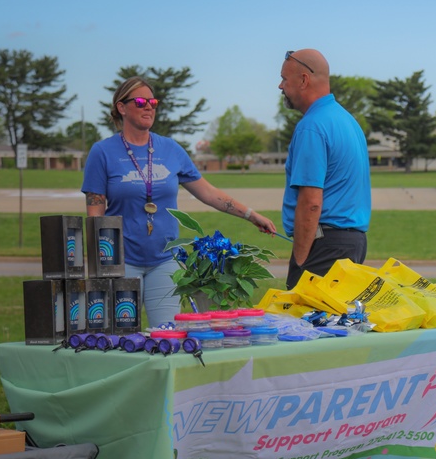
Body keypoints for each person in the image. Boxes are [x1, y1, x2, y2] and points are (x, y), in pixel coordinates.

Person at [82, 76, 277, 328]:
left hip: (165, 261)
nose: (149, 106)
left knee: (167, 338)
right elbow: (95, 214)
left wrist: (251, 214)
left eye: (153, 101)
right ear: (121, 107)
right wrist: (98, 265)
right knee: (120, 339)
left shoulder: (171, 149)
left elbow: (208, 193)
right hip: (120, 263)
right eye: (140, 101)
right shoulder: (102, 152)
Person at [278, 49, 371, 289]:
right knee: (338, 325)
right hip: (352, 242)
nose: (280, 86)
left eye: (285, 79)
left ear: (303, 80)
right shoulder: (347, 120)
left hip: (325, 245)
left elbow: (311, 201)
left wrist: (300, 261)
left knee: (307, 325)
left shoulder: (312, 126)